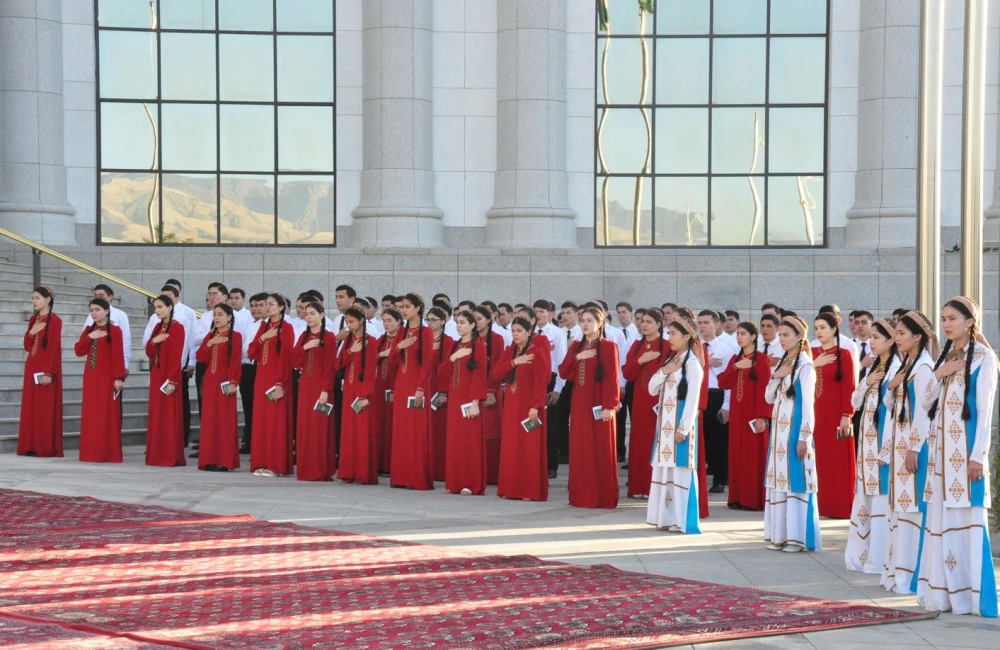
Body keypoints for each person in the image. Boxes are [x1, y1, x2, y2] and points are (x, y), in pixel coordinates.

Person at [918, 297, 998, 617]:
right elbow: (925, 403)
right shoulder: (947, 357)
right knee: (941, 525)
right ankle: (945, 595)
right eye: (943, 318)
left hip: (965, 460)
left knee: (967, 526)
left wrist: (978, 456)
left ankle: (972, 599)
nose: (946, 324)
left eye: (952, 318)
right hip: (940, 461)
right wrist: (940, 374)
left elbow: (985, 413)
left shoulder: (984, 359)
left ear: (969, 321)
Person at [878, 310, 936, 594]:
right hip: (900, 447)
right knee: (899, 511)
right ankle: (895, 573)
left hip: (913, 450)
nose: (897, 338)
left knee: (912, 510)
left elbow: (925, 412)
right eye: (896, 333)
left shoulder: (924, 368)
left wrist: (914, 448)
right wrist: (891, 386)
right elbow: (891, 403)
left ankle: (909, 575)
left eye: (901, 334)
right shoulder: (907, 365)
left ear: (917, 337)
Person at [845, 319, 899, 574]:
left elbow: (892, 412)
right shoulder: (874, 367)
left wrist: (886, 449)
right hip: (866, 441)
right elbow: (854, 401)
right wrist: (866, 382)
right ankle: (862, 556)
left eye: (877, 337)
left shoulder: (897, 366)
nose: (872, 342)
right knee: (865, 496)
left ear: (891, 341)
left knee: (880, 500)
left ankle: (879, 559)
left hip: (880, 444)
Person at [763, 315, 822, 553]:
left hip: (795, 432)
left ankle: (797, 538)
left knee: (795, 482)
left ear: (800, 337)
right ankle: (780, 536)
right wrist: (776, 376)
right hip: (778, 433)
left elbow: (808, 404)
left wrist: (804, 437)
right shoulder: (783, 364)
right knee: (779, 481)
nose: (782, 339)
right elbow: (768, 398)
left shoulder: (806, 365)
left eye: (787, 335)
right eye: (780, 335)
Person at [557, 306, 620, 509]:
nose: (585, 324)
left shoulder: (609, 347)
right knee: (581, 448)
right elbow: (563, 371)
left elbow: (613, 379)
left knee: (600, 448)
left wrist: (610, 406)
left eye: (590, 320)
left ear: (600, 323)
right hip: (579, 404)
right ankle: (581, 496)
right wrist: (578, 357)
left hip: (600, 404)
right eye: (582, 320)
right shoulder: (576, 346)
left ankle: (601, 496)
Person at [647, 317, 705, 533]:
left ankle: (683, 520)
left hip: (679, 429)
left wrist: (684, 428)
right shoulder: (672, 361)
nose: (669, 338)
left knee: (680, 472)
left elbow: (693, 399)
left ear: (687, 336)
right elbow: (652, 388)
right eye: (668, 333)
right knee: (665, 472)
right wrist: (665, 370)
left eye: (673, 333)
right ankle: (666, 518)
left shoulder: (692, 364)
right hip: (664, 429)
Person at [494, 316, 550, 501]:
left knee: (528, 448)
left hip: (528, 407)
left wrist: (535, 406)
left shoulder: (537, 352)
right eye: (513, 331)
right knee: (511, 446)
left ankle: (529, 490)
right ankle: (511, 488)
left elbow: (540, 383)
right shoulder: (511, 351)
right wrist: (515, 362)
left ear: (529, 332)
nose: (516, 335)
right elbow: (496, 372)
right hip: (511, 405)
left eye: (519, 331)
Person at [717, 321, 772, 511]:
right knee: (737, 454)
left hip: (753, 415)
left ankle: (752, 499)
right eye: (738, 334)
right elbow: (723, 382)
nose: (739, 337)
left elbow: (765, 390)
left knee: (753, 455)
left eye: (743, 334)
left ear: (753, 337)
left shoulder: (762, 359)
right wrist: (736, 367)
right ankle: (736, 497)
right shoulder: (735, 358)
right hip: (737, 414)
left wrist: (762, 417)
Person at [811, 312, 858, 519]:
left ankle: (838, 507)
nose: (819, 332)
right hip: (814, 415)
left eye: (823, 327)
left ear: (833, 329)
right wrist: (814, 364)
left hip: (835, 416)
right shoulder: (809, 353)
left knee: (836, 461)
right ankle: (819, 506)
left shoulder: (844, 354)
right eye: (816, 328)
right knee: (818, 460)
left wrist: (846, 415)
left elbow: (849, 387)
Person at [437, 310, 488, 495]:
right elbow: (442, 372)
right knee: (455, 440)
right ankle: (455, 481)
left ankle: (470, 483)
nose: (459, 326)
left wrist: (475, 402)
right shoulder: (455, 346)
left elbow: (480, 376)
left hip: (469, 399)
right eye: (457, 322)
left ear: (473, 325)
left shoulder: (479, 347)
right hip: (454, 399)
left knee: (469, 442)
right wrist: (454, 357)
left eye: (463, 322)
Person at [621, 309, 670, 498]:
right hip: (640, 398)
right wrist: (640, 360)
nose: (644, 325)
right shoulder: (636, 345)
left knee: (655, 440)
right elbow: (627, 372)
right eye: (642, 321)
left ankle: (653, 487)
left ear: (658, 324)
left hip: (659, 399)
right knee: (639, 440)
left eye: (649, 321)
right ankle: (638, 485)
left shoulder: (667, 346)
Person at [389, 293, 436, 490]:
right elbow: (392, 361)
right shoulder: (401, 332)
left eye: (408, 306)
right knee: (401, 429)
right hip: (402, 384)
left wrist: (420, 388)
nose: (404, 310)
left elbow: (427, 363)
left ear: (418, 308)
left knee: (415, 431)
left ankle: (416, 477)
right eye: (402, 307)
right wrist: (399, 345)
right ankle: (400, 476)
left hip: (417, 385)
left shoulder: (425, 332)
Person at [247, 293, 295, 477]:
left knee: (276, 422)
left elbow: (286, 358)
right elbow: (252, 352)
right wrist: (263, 337)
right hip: (261, 378)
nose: (267, 307)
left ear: (281, 307)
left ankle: (277, 465)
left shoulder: (287, 328)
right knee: (262, 421)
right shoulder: (264, 327)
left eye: (271, 304)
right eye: (265, 304)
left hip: (277, 380)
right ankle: (262, 462)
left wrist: (280, 383)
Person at [291, 301, 338, 482]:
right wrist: (305, 347)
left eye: (312, 313)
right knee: (305, 427)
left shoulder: (329, 337)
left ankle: (320, 470)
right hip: (305, 386)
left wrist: (325, 389)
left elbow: (330, 366)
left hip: (321, 387)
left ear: (321, 315)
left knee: (320, 427)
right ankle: (306, 470)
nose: (308, 317)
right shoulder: (303, 336)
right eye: (306, 314)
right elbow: (295, 361)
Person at [75, 299, 126, 463]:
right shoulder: (89, 331)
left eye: (97, 309)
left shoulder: (115, 330)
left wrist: (119, 377)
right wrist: (89, 337)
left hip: (107, 377)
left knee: (106, 414)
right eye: (91, 310)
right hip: (91, 377)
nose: (94, 313)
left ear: (106, 311)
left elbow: (118, 355)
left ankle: (107, 453)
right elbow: (79, 351)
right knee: (91, 414)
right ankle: (90, 452)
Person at [195, 303, 242, 472]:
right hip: (210, 383)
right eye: (215, 314)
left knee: (224, 421)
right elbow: (200, 357)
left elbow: (236, 361)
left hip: (225, 383)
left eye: (221, 314)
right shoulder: (211, 335)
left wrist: (233, 382)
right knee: (209, 420)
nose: (217, 317)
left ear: (229, 317)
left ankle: (224, 460)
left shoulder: (235, 336)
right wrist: (210, 343)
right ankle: (209, 459)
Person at [336, 306, 380, 485]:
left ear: (361, 321)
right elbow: (338, 364)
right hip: (348, 390)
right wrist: (349, 351)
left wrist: (365, 395)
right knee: (349, 431)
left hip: (362, 393)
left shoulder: (371, 341)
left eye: (352, 322)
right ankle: (349, 471)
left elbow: (370, 371)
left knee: (362, 432)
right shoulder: (348, 341)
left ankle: (363, 473)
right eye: (347, 322)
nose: (349, 325)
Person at [18, 287, 63, 458]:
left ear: (47, 300)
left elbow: (53, 349)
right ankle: (30, 445)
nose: (34, 301)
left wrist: (49, 372)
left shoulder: (55, 321)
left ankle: (44, 447)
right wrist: (32, 332)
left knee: (44, 407)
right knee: (31, 406)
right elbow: (28, 346)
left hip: (46, 368)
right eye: (33, 298)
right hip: (32, 366)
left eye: (37, 298)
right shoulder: (33, 319)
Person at [144, 295, 186, 467]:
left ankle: (169, 455)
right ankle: (156, 454)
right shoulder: (157, 327)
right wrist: (154, 340)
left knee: (169, 415)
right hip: (157, 374)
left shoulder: (177, 328)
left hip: (169, 376)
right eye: (155, 308)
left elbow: (176, 356)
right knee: (157, 414)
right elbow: (149, 351)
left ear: (170, 307)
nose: (157, 310)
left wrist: (172, 380)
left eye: (160, 307)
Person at [698, 310, 734, 494]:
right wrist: (704, 361)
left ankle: (720, 479)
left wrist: (726, 406)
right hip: (698, 395)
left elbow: (729, 381)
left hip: (716, 395)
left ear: (716, 324)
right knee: (702, 438)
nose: (702, 326)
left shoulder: (725, 349)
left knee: (718, 440)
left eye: (706, 322)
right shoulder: (695, 348)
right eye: (700, 322)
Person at [472, 306, 505, 485]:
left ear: (488, 320)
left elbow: (496, 368)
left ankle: (492, 474)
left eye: (479, 318)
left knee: (491, 432)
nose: (477, 322)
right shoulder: (472, 339)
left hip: (490, 390)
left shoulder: (497, 339)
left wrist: (491, 390)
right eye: (474, 319)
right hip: (474, 391)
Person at [374, 308, 402, 476]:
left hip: (396, 385)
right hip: (380, 385)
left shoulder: (403, 339)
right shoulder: (381, 339)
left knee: (393, 424)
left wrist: (386, 353)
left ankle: (392, 465)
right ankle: (380, 463)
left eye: (390, 320)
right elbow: (371, 357)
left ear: (399, 321)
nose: (386, 324)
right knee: (380, 423)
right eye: (384, 320)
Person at [426, 306, 452, 482]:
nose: (430, 323)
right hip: (423, 387)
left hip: (438, 389)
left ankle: (440, 470)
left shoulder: (448, 341)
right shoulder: (423, 339)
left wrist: (443, 391)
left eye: (434, 319)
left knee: (439, 429)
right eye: (428, 320)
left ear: (443, 321)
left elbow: (447, 369)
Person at [84, 284, 132, 381]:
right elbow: (84, 338)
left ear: (110, 297)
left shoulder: (120, 315)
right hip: (95, 362)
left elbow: (126, 340)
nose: (98, 298)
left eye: (101, 296)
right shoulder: (91, 315)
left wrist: (125, 364)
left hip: (112, 363)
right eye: (95, 296)